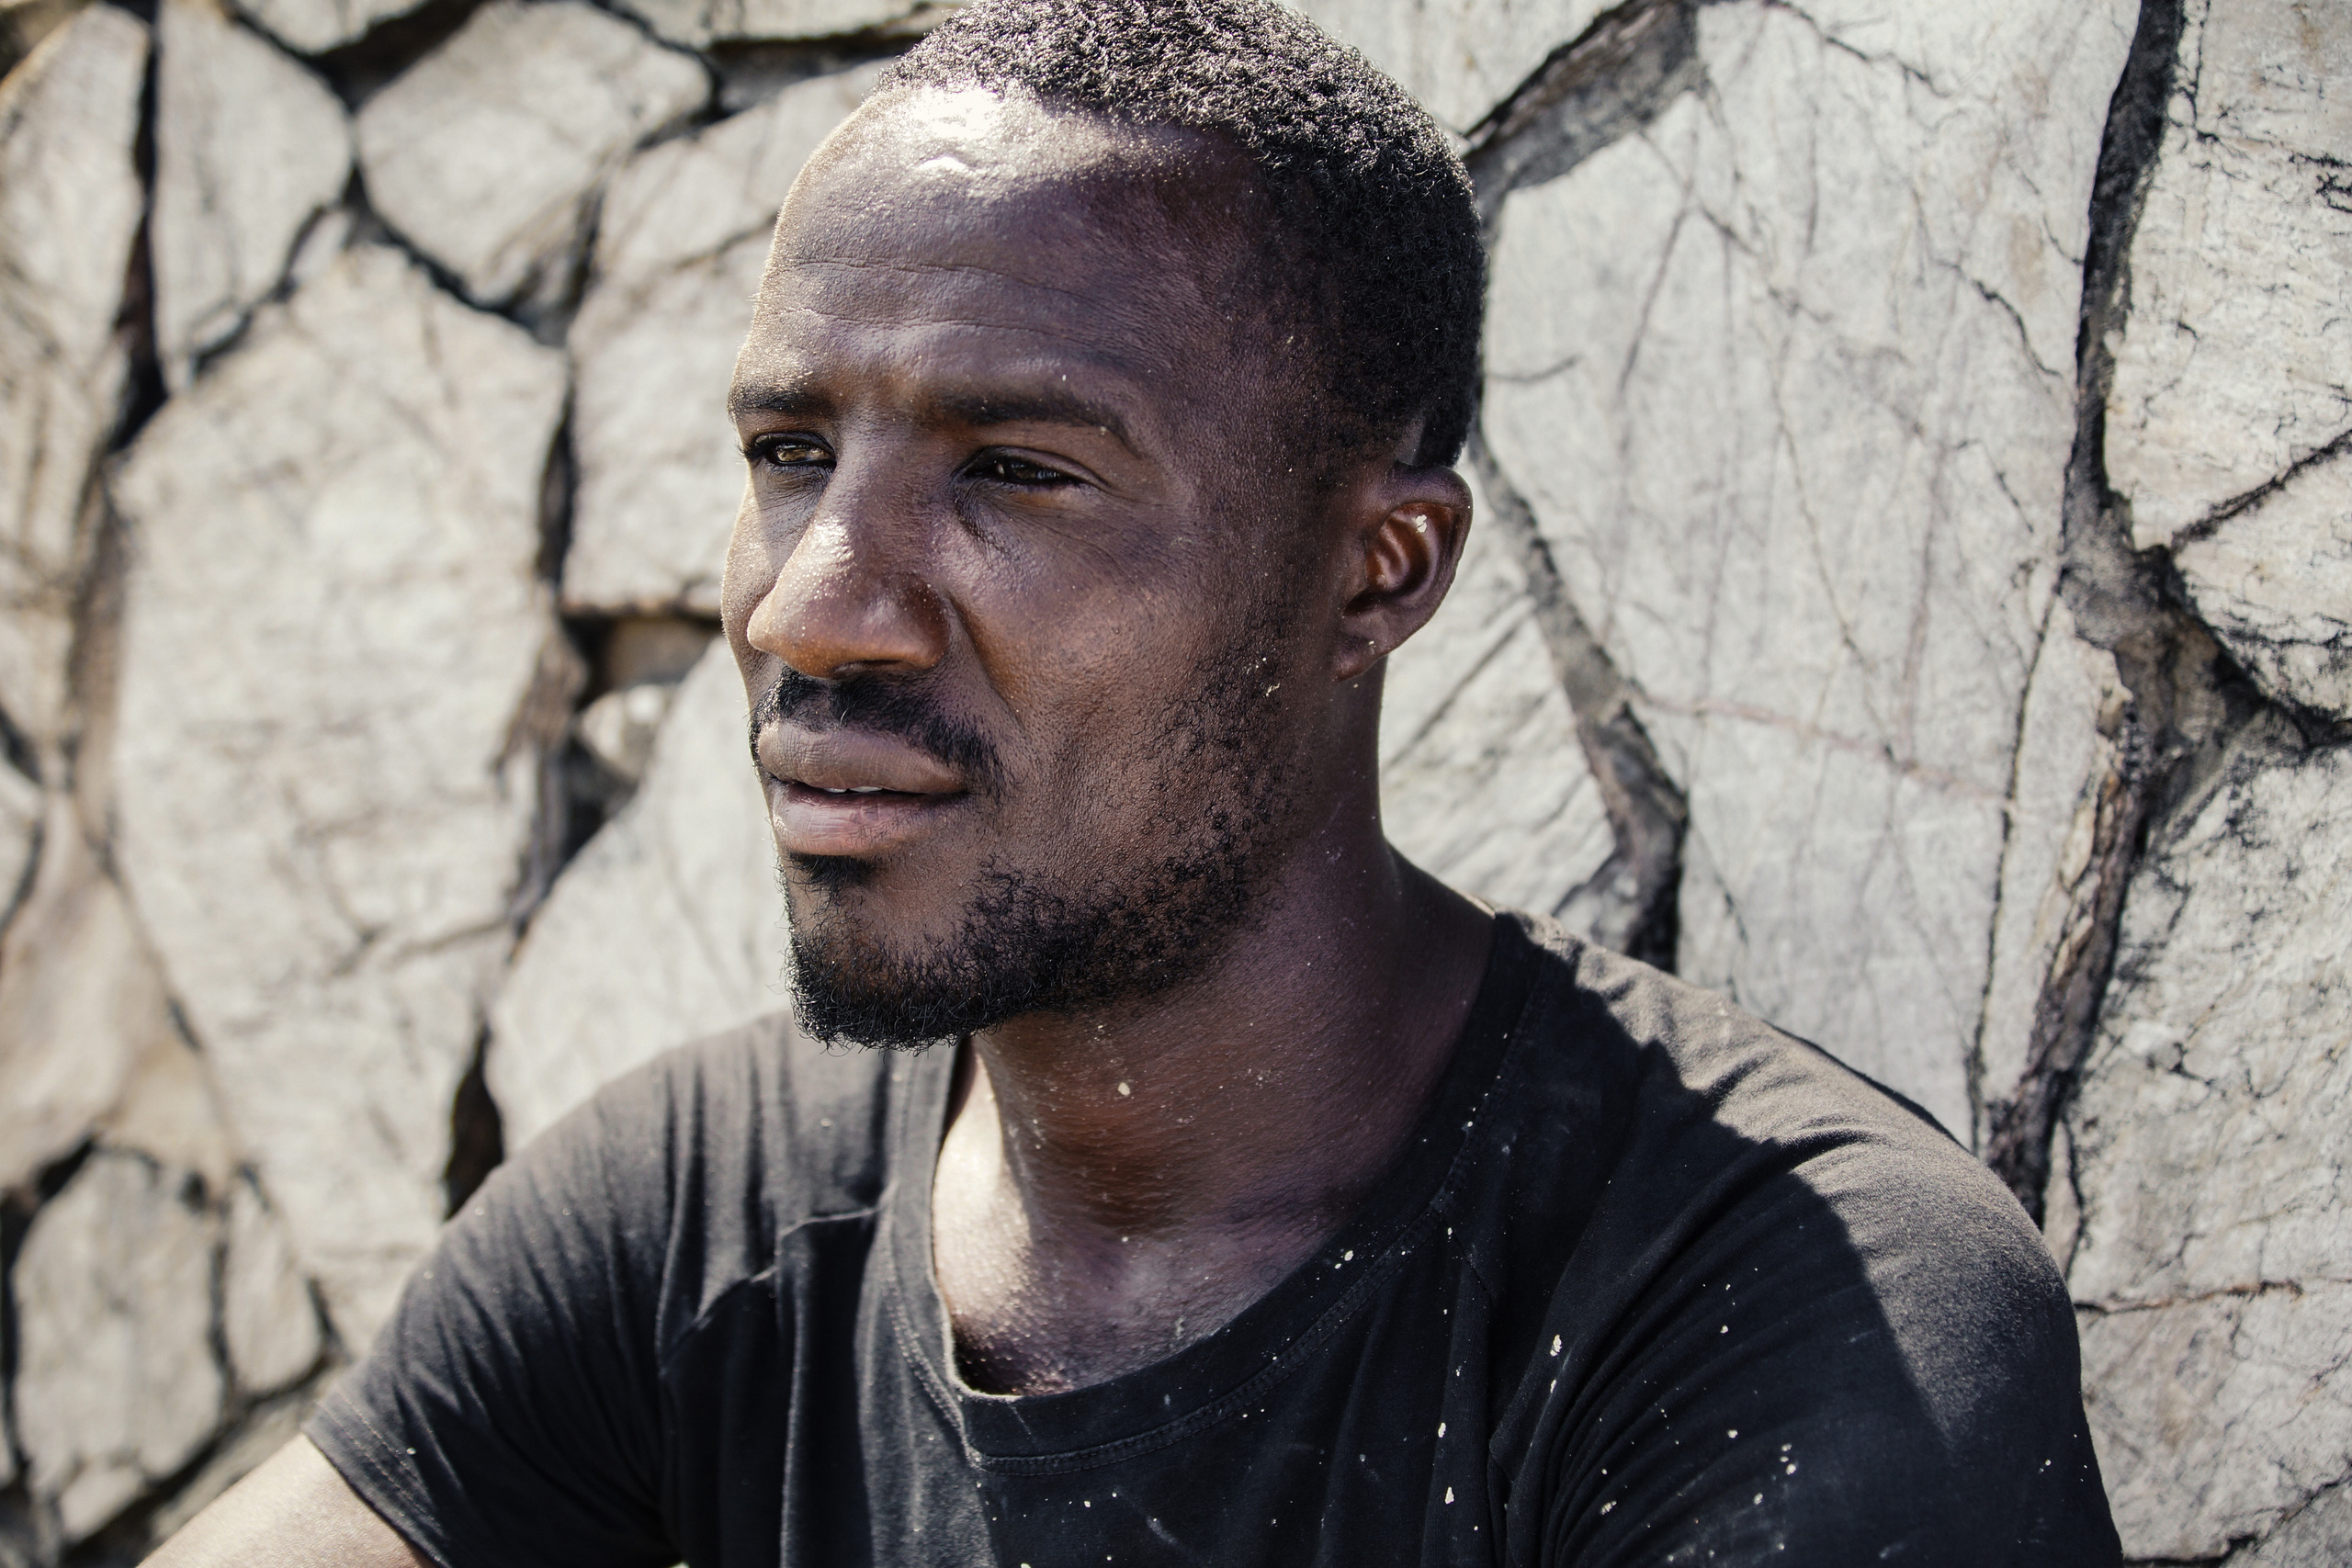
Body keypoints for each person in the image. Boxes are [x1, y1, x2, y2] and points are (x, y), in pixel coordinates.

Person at [146, 2, 2121, 1563]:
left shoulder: (1768, 1317)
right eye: (784, 451)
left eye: (1016, 469)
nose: (811, 608)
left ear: (1374, 571)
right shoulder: (715, 1209)